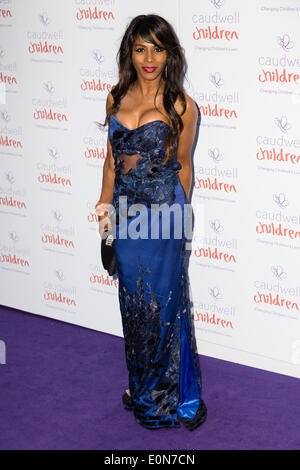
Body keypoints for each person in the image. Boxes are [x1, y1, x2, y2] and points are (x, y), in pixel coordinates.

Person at [94, 14, 207, 431]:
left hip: (163, 220)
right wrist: (104, 212)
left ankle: (161, 398)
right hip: (125, 220)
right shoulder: (114, 98)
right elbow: (110, 163)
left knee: (162, 308)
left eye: (157, 48)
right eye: (141, 48)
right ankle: (141, 384)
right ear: (131, 52)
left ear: (169, 53)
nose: (149, 57)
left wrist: (181, 223)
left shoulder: (182, 105)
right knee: (134, 308)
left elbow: (183, 168)